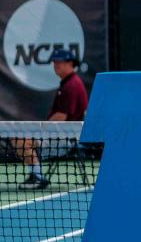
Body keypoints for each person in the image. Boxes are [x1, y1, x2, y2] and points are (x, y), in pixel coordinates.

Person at [14, 49, 89, 191]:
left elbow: (61, 117)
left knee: (21, 140)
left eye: (60, 62)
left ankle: (37, 177)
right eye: (55, 62)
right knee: (16, 137)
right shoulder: (68, 83)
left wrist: (38, 129)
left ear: (70, 63)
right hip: (60, 134)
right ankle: (36, 175)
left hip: (66, 138)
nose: (56, 65)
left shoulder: (72, 85)